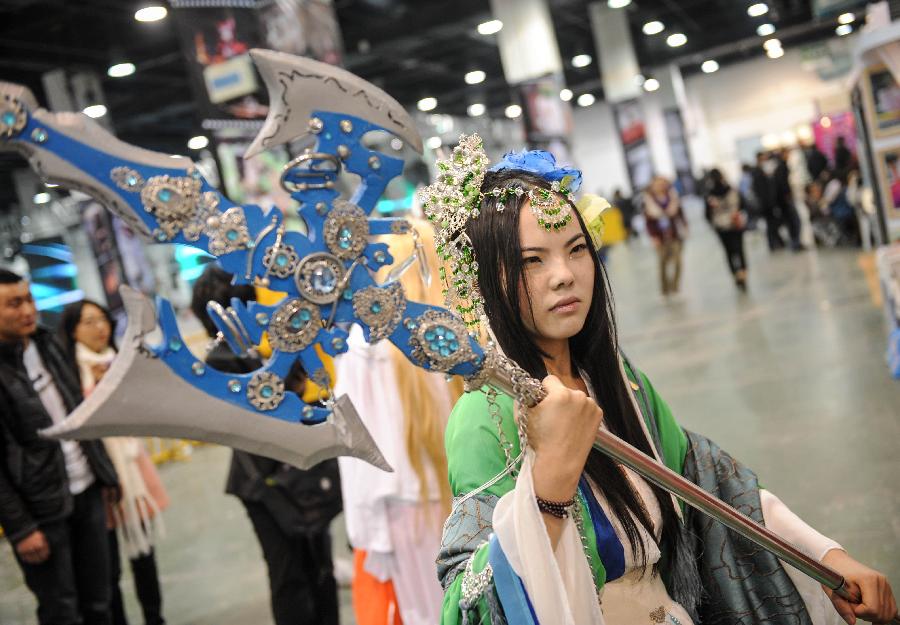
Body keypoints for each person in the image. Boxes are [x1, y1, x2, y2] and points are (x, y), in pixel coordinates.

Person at [421, 139, 898, 625]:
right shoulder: (487, 418)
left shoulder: (618, 380)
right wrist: (546, 494)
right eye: (531, 260)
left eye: (577, 249)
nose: (564, 275)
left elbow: (707, 485)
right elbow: (470, 601)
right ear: (485, 277)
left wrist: (826, 558)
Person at [190, 264, 342, 625]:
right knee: (290, 576)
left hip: (293, 473)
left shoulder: (258, 348)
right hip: (264, 483)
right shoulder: (222, 359)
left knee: (319, 568)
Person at [334, 221, 463, 625]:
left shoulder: (363, 347)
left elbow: (353, 452)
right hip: (469, 500)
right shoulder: (465, 334)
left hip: (405, 515)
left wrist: (366, 538)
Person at [0, 269, 120, 625]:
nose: (26, 310)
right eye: (13, 304)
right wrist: (20, 528)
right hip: (41, 510)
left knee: (101, 600)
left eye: (29, 299)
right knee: (62, 612)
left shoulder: (48, 344)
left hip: (86, 490)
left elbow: (79, 413)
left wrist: (106, 475)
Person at [58, 299, 168, 625]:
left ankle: (154, 618)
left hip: (134, 470)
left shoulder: (121, 362)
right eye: (89, 321)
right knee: (106, 565)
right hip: (100, 476)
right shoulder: (67, 372)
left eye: (102, 319)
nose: (100, 327)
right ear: (73, 330)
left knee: (144, 553)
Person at [642, 176, 687, 296]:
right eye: (657, 184)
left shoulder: (672, 197)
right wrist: (653, 236)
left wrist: (685, 226)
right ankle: (665, 290)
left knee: (678, 261)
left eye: (662, 183)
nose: (660, 186)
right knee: (662, 264)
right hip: (659, 236)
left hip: (674, 234)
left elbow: (680, 214)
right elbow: (648, 222)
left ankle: (675, 287)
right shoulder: (649, 201)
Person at [704, 169, 748, 291]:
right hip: (734, 224)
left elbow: (707, 215)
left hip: (722, 227)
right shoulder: (731, 190)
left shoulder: (710, 195)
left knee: (729, 252)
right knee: (739, 250)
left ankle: (736, 275)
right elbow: (743, 205)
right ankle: (742, 273)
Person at [752, 151, 785, 250]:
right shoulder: (758, 172)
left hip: (767, 203)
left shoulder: (761, 171)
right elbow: (761, 190)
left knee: (772, 223)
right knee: (771, 223)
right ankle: (774, 243)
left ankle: (777, 242)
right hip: (766, 204)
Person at [773, 148, 804, 251]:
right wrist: (787, 195)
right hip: (785, 200)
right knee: (794, 222)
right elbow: (783, 184)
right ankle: (795, 243)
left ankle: (795, 243)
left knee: (792, 222)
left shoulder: (780, 167)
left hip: (783, 200)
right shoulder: (782, 167)